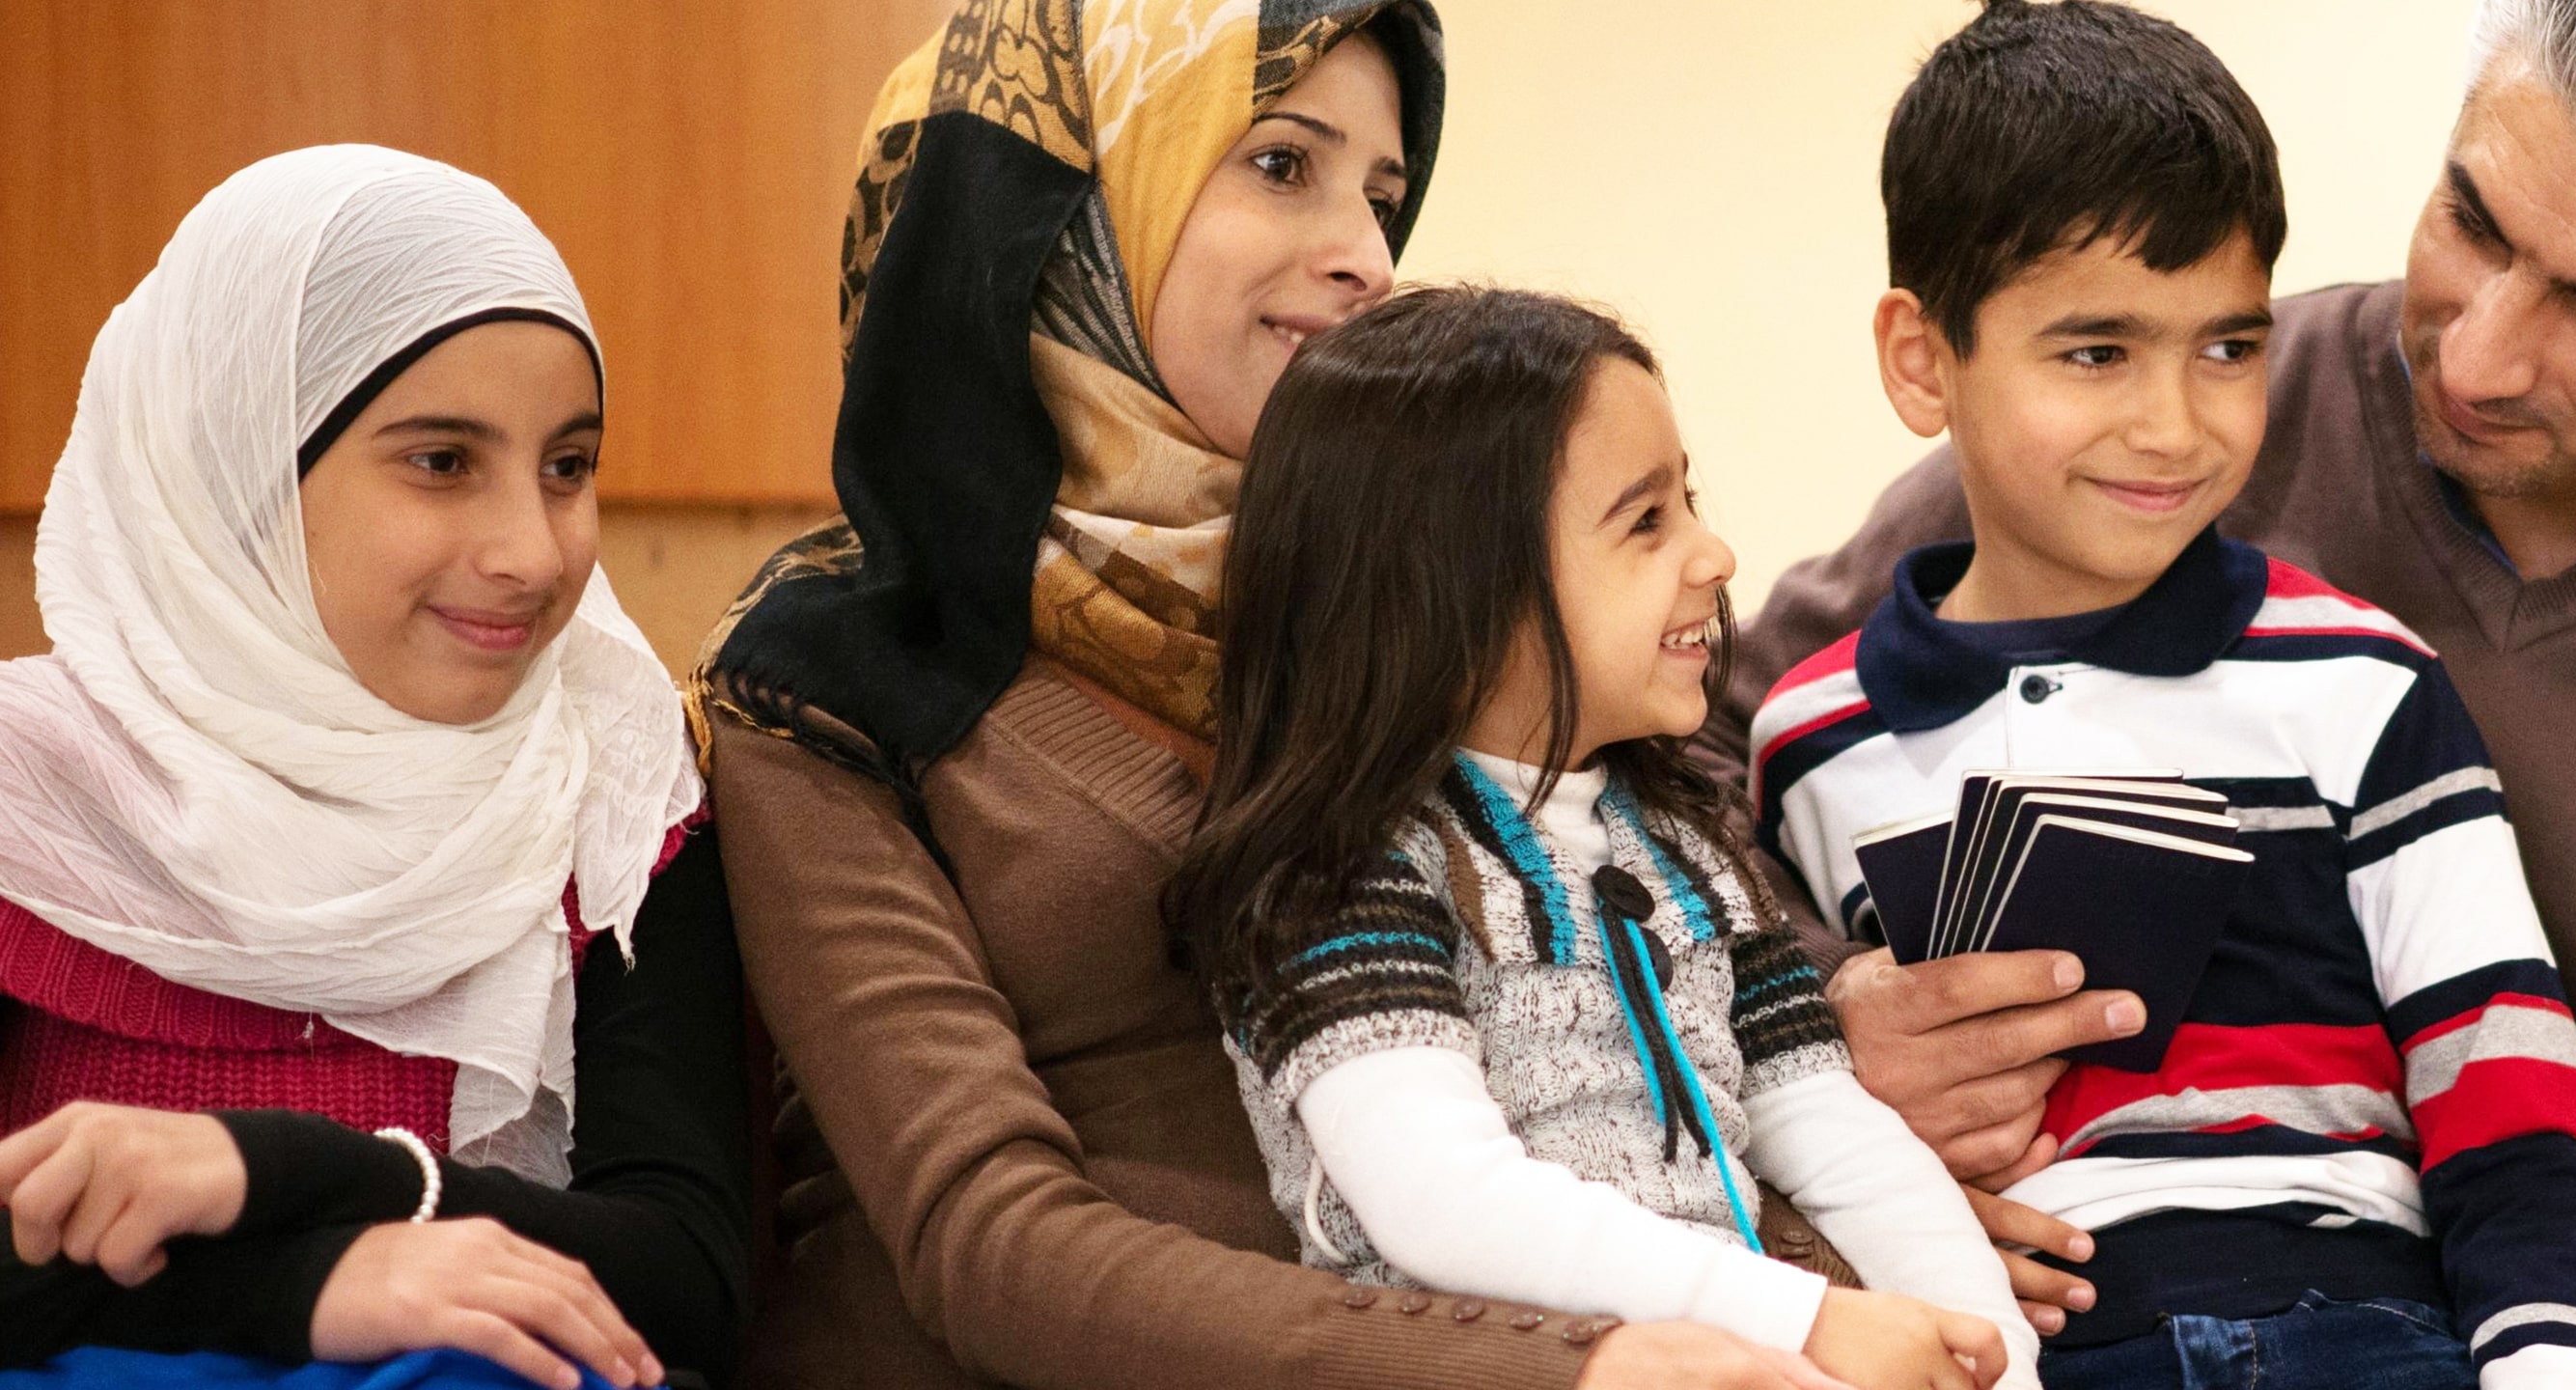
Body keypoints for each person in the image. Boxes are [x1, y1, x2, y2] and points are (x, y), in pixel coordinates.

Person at [695, 6, 1859, 1390]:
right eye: (1281, 164)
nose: (1367, 256)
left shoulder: (1416, 615)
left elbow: (1630, 1052)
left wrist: (1869, 1281)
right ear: (1059, 222)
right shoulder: (831, 677)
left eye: (1381, 194)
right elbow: (986, 1244)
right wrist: (1577, 1364)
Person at [1702, 1, 2576, 1381]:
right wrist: (1828, 1024)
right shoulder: (2154, 450)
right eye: (2475, 225)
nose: (2476, 358)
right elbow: (1674, 759)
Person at [1175, 286, 2035, 1390]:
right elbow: (1441, 1203)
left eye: (1689, 500)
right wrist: (1803, 1320)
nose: (1715, 554)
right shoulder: (1344, 869)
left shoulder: (1690, 854)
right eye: (1646, 521)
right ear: (1453, 588)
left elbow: (1839, 1138)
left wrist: (1993, 1358)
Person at [0, 146, 747, 1390]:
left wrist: (302, 1178)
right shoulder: (30, 790)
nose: (531, 550)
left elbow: (688, 1282)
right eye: (443, 462)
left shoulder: (615, 792)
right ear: (239, 470)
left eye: (568, 467)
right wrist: (308, 1286)